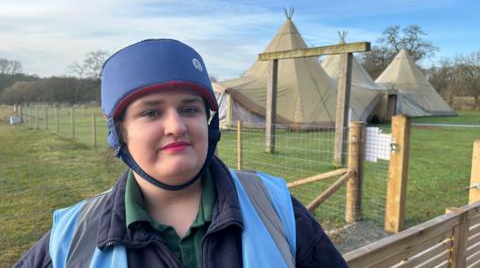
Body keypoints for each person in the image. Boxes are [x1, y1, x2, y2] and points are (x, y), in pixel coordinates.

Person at [15, 39, 347, 268]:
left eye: (190, 109)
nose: (176, 126)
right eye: (151, 112)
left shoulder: (276, 208)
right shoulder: (72, 237)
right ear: (119, 132)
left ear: (208, 122)